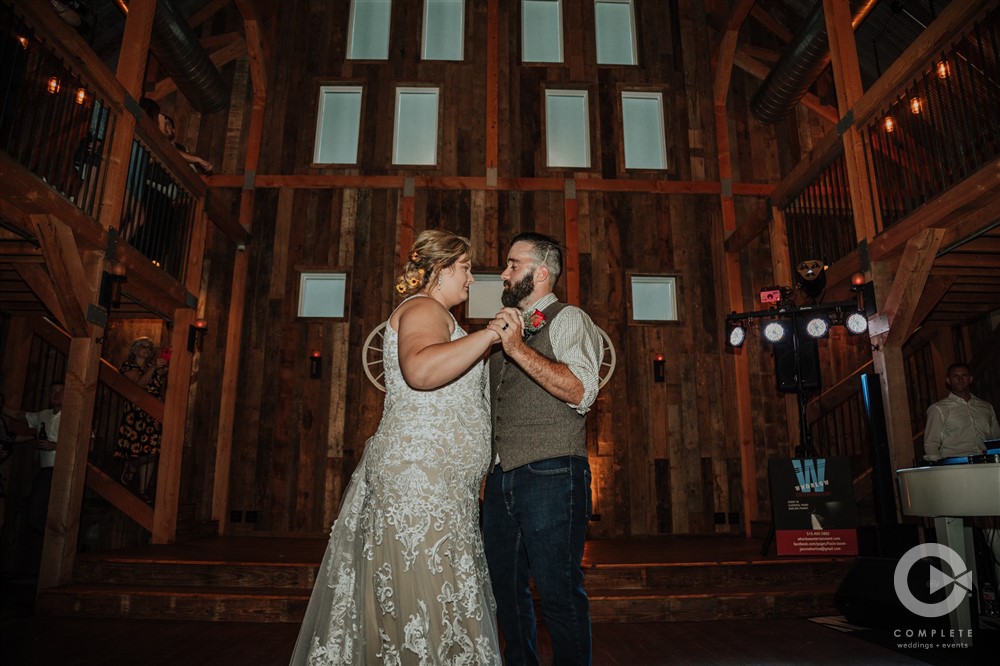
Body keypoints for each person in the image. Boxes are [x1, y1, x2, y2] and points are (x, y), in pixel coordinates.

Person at [291, 230, 502, 665]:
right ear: (441, 270)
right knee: (421, 602)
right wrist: (490, 335)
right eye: (465, 269)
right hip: (420, 487)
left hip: (439, 489)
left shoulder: (437, 313)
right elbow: (421, 370)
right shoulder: (424, 307)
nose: (470, 280)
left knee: (430, 601)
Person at [483, 232, 604, 666]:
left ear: (542, 273)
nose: (504, 272)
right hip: (500, 480)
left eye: (513, 264)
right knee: (507, 594)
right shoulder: (505, 326)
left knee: (557, 592)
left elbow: (580, 390)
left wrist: (515, 348)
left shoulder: (568, 318)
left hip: (551, 475)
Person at [1, 382, 64, 535]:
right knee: (35, 514)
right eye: (52, 392)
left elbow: (86, 446)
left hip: (64, 472)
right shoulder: (43, 415)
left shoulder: (74, 416)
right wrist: (2, 408)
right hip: (46, 472)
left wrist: (55, 446)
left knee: (61, 514)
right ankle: (52, 541)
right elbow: (20, 415)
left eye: (60, 392)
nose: (56, 395)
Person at [113, 337, 168, 500]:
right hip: (136, 414)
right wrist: (152, 369)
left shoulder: (154, 368)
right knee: (136, 451)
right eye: (143, 346)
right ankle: (130, 470)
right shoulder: (128, 366)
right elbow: (138, 384)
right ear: (135, 350)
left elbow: (160, 386)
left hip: (151, 415)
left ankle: (143, 490)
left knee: (151, 452)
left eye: (150, 348)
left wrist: (163, 370)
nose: (146, 349)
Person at [923, 362, 1000, 462]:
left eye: (964, 375)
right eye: (955, 376)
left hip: (986, 462)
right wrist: (938, 468)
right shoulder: (938, 408)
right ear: (948, 380)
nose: (960, 379)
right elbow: (931, 443)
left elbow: (996, 437)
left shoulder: (986, 407)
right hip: (956, 465)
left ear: (970, 379)